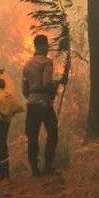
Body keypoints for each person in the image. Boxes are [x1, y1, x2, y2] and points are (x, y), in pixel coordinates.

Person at [22, 35, 66, 176]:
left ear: (35, 46)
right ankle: (48, 166)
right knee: (52, 133)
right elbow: (47, 82)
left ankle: (34, 168)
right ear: (44, 46)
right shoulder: (47, 62)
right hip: (45, 104)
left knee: (32, 135)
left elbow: (24, 89)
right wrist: (59, 82)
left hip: (31, 104)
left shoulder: (27, 64)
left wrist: (32, 97)